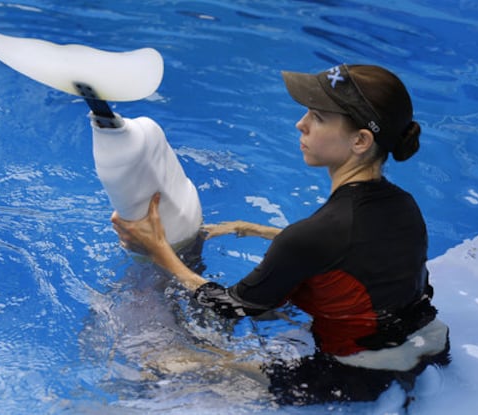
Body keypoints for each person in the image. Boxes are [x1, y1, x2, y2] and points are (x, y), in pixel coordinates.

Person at [111, 64, 450, 405]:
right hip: (427, 349)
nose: (300, 124)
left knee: (165, 366)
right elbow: (355, 252)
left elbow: (230, 306)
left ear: (360, 140)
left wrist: (159, 251)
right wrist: (259, 230)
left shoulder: (314, 235)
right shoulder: (404, 205)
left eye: (317, 117)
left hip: (348, 380)